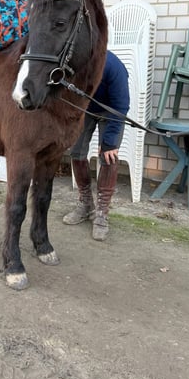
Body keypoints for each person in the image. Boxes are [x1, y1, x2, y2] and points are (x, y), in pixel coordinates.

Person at [64, 50, 130, 241]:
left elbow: (121, 106)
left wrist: (109, 142)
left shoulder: (114, 68)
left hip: (111, 111)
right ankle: (86, 205)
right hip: (85, 109)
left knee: (109, 156)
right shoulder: (73, 66)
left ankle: (102, 213)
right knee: (76, 151)